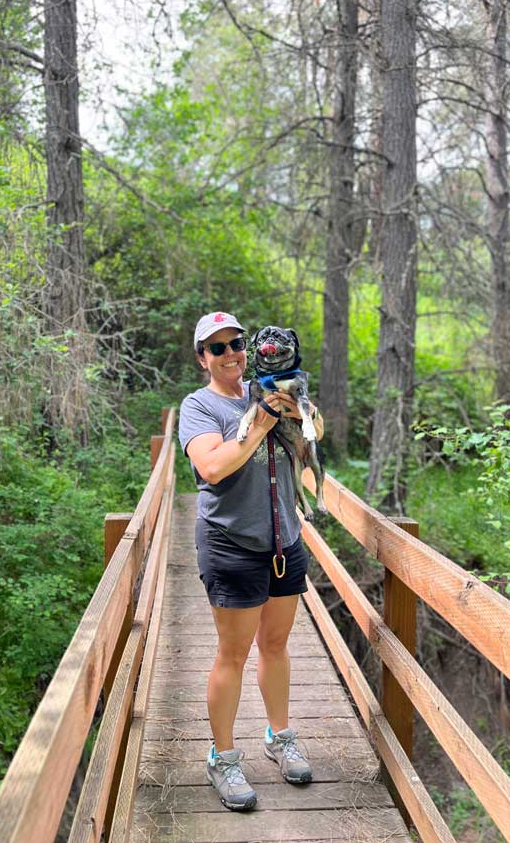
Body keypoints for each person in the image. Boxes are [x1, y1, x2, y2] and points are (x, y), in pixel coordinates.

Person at [178, 311, 324, 812]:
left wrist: (297, 411)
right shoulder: (198, 407)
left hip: (284, 539)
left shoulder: (272, 387)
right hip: (231, 542)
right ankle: (222, 758)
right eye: (216, 348)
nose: (230, 354)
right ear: (203, 359)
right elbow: (214, 466)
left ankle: (279, 737)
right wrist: (259, 425)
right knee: (233, 654)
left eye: (236, 343)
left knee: (277, 643)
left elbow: (314, 436)